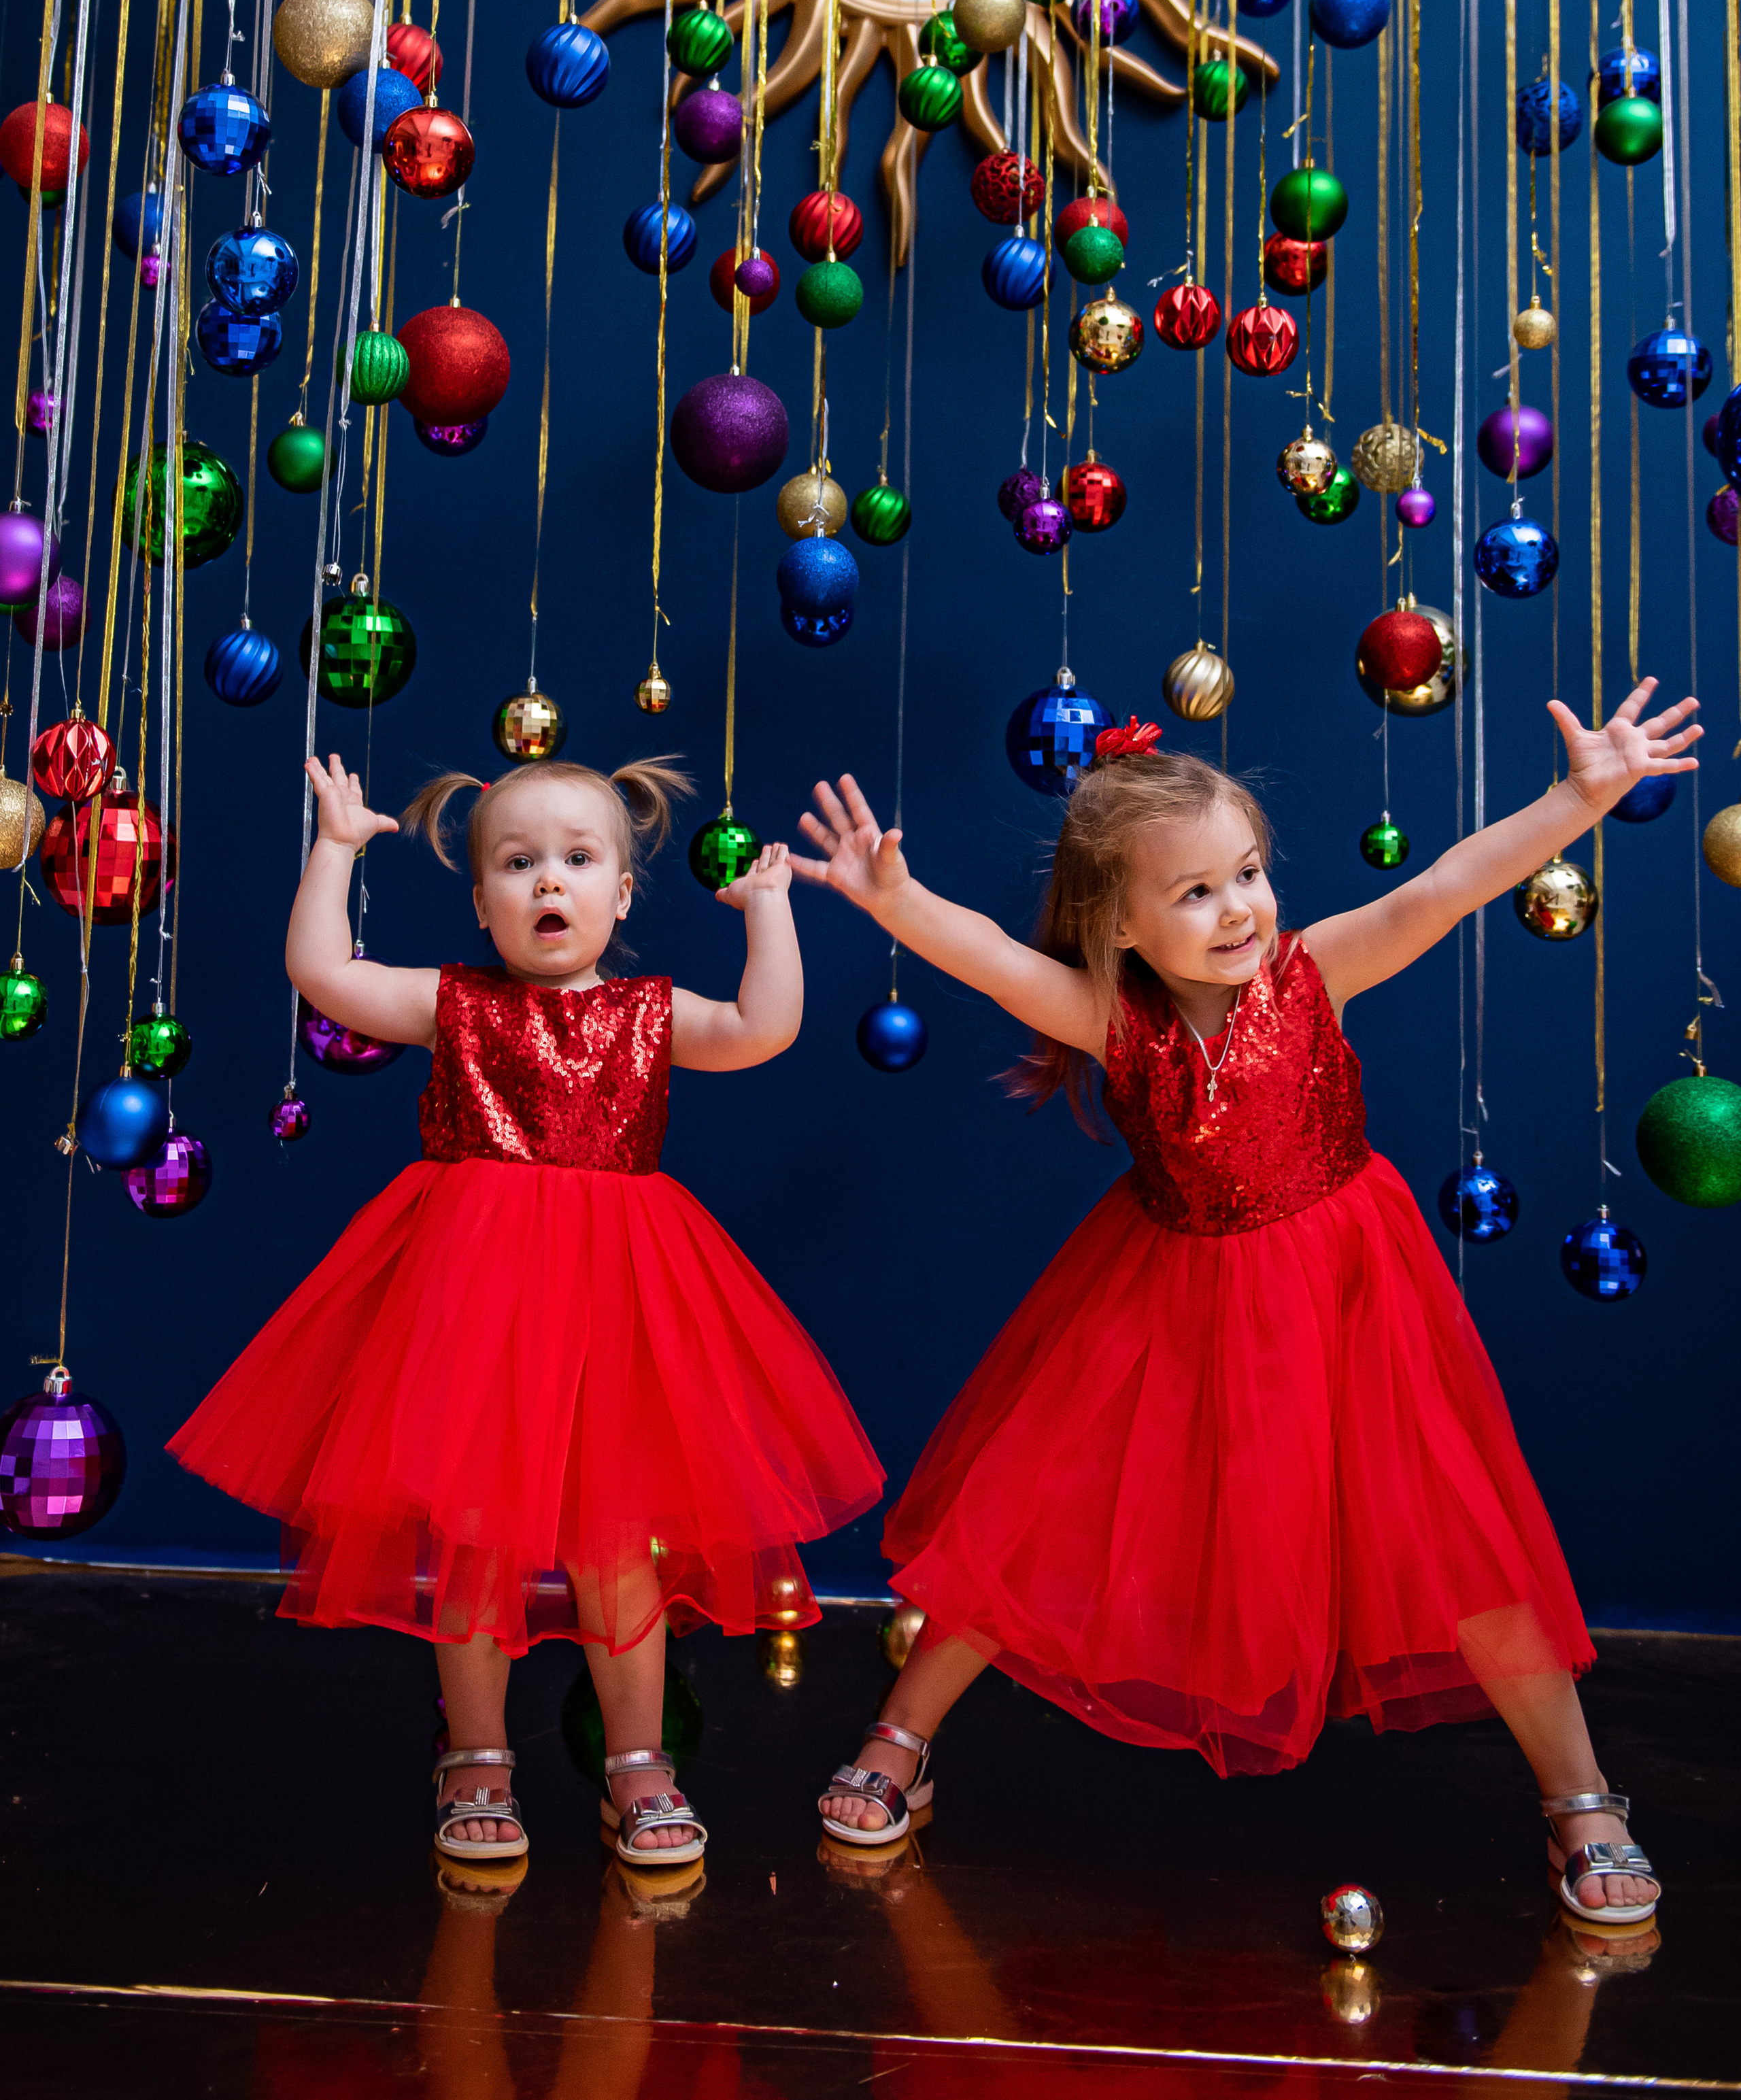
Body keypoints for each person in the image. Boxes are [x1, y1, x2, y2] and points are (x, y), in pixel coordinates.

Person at [795, 683, 1698, 1925]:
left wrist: (1576, 796)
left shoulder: (1316, 972)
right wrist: (899, 904)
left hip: (1346, 1289)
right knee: (1040, 1507)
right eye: (1198, 891)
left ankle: (1582, 1794)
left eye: (1250, 873)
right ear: (1118, 925)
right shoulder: (1112, 1017)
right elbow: (998, 961)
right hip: (1172, 1292)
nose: (1241, 910)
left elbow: (1444, 885)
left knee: (1457, 1532)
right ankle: (902, 1736)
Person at [169, 751, 881, 1869]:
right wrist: (336, 846)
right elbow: (320, 970)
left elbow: (763, 1027)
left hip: (618, 1307)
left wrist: (772, 912)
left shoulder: (651, 1014)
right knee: (477, 1541)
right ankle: (478, 1752)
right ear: (480, 898)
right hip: (475, 1302)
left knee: (617, 1546)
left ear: (622, 894)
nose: (549, 882)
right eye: (518, 862)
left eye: (577, 860)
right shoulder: (452, 1002)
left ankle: (639, 1760)